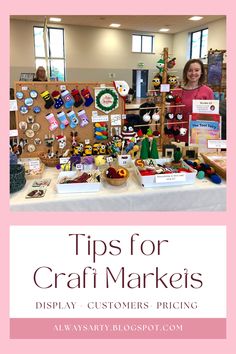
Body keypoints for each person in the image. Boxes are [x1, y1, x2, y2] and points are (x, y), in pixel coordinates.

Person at [180, 59, 214, 143]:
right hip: (180, 132)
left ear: (201, 72)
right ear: (186, 72)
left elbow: (212, 116)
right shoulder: (177, 91)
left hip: (200, 133)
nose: (193, 73)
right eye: (190, 70)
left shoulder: (208, 91)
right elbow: (171, 114)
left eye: (197, 70)